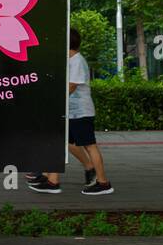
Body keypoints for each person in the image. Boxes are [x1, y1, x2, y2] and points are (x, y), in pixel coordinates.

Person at [29, 28, 114, 195]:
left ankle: (103, 182)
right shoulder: (71, 60)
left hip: (81, 112)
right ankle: (52, 181)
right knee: (59, 142)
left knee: (90, 146)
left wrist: (54, 99)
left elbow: (72, 86)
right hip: (72, 112)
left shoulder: (76, 60)